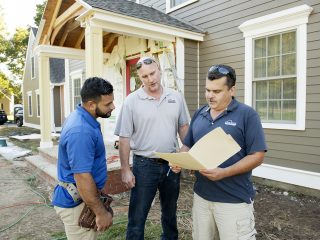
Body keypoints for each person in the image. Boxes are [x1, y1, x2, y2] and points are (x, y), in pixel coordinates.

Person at [172, 64, 267, 240]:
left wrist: (225, 172)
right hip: (202, 197)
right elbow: (187, 145)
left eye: (216, 91)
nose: (209, 95)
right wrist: (181, 159)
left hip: (233, 200)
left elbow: (257, 156)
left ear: (232, 90)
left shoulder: (247, 115)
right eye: (207, 90)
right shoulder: (200, 113)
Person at [114, 56, 189, 240]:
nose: (150, 79)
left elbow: (184, 129)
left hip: (172, 164)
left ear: (160, 70)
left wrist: (185, 156)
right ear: (140, 77)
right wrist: (125, 169)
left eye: (153, 73)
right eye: (145, 76)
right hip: (144, 166)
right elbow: (124, 138)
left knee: (170, 212)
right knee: (138, 216)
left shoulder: (176, 97)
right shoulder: (132, 101)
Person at [52, 77, 115, 240]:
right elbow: (82, 176)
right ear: (91, 104)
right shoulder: (81, 131)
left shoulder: (83, 117)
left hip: (81, 199)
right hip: (77, 204)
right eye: (107, 104)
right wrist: (101, 213)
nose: (112, 107)